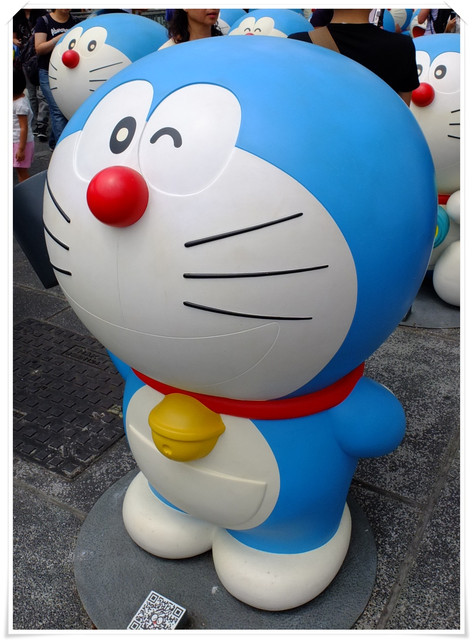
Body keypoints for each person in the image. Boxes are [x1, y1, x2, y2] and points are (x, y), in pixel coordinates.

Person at [288, 9, 419, 106]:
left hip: (321, 134)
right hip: (380, 134)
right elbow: (403, 110)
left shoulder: (298, 43)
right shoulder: (402, 46)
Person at [34, 9, 77, 150]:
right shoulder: (44, 21)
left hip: (67, 73)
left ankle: (54, 142)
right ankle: (62, 149)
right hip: (47, 72)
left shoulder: (75, 21)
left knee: (62, 108)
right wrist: (58, 39)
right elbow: (39, 48)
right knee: (58, 109)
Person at [13, 8, 50, 142]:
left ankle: (42, 125)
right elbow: (13, 35)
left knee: (42, 94)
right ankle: (33, 123)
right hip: (24, 58)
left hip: (40, 57)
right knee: (32, 94)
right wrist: (14, 40)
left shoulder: (42, 15)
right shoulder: (16, 16)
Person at [13, 67, 34, 183]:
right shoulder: (15, 99)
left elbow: (23, 128)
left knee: (22, 172)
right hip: (15, 141)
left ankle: (26, 190)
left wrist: (21, 149)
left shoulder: (20, 104)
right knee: (19, 170)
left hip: (20, 143)